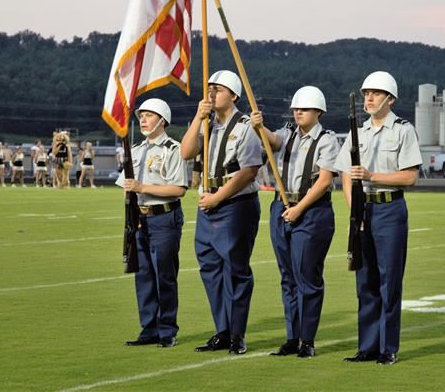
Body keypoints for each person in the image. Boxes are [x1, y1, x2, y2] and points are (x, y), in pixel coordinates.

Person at [334, 71, 423, 366]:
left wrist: (373, 176)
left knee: (389, 281)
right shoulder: (357, 132)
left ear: (390, 99)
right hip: (364, 211)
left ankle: (388, 348)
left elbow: (410, 177)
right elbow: (346, 175)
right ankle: (367, 346)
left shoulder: (402, 131)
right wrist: (354, 211)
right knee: (365, 281)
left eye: (375, 93)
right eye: (366, 94)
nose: (368, 99)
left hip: (389, 209)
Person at [250, 86, 339, 358]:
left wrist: (299, 208)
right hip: (281, 206)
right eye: (296, 109)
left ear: (318, 112)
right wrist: (258, 127)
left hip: (311, 211)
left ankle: (308, 340)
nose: (298, 112)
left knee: (307, 277)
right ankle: (292, 337)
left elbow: (324, 181)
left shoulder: (327, 139)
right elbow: (272, 141)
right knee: (287, 278)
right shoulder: (288, 133)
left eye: (305, 109)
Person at [180, 70, 262, 356]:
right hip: (209, 201)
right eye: (210, 88)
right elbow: (186, 152)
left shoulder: (245, 126)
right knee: (210, 269)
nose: (211, 93)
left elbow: (249, 170)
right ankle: (222, 329)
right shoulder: (208, 124)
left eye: (218, 89)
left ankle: (237, 333)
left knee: (236, 270)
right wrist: (197, 117)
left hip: (235, 203)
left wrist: (217, 198)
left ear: (234, 95)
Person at [120, 98, 188, 349]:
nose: (144, 120)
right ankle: (149, 328)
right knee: (144, 275)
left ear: (162, 120)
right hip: (141, 219)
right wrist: (132, 215)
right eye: (141, 116)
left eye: (149, 115)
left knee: (165, 275)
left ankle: (167, 329)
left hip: (164, 217)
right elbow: (127, 189)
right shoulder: (136, 150)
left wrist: (142, 187)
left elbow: (179, 188)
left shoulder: (173, 149)